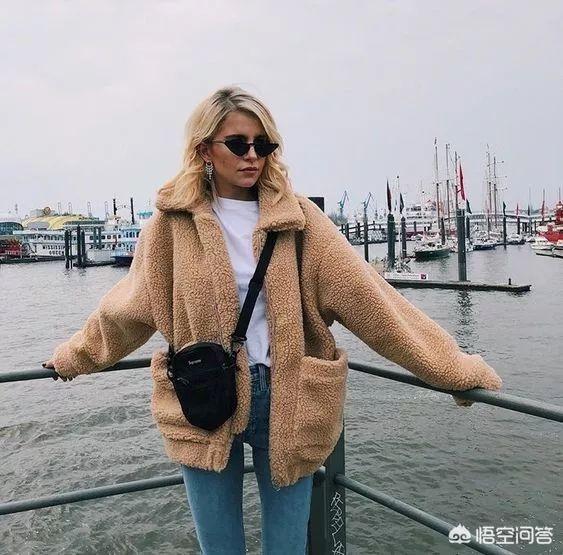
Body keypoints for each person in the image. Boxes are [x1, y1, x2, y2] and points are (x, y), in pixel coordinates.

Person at [43, 85, 502, 554]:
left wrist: (453, 369)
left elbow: (373, 303)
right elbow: (129, 307)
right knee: (219, 549)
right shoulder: (172, 223)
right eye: (238, 143)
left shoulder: (300, 220)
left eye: (263, 144)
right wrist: (74, 357)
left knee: (286, 547)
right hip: (204, 396)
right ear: (204, 149)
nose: (252, 156)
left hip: (288, 395)